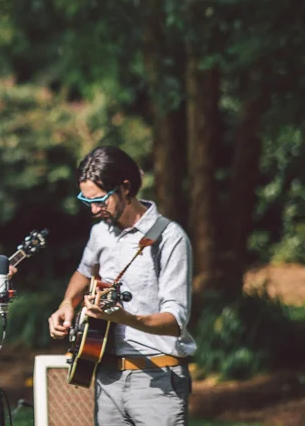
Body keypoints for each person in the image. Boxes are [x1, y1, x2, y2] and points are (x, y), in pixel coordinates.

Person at [48, 146, 196, 425]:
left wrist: (124, 318)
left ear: (125, 188)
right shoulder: (100, 232)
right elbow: (83, 272)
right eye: (87, 201)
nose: (94, 210)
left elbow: (176, 321)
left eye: (100, 200)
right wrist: (67, 303)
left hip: (157, 381)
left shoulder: (170, 238)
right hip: (106, 377)